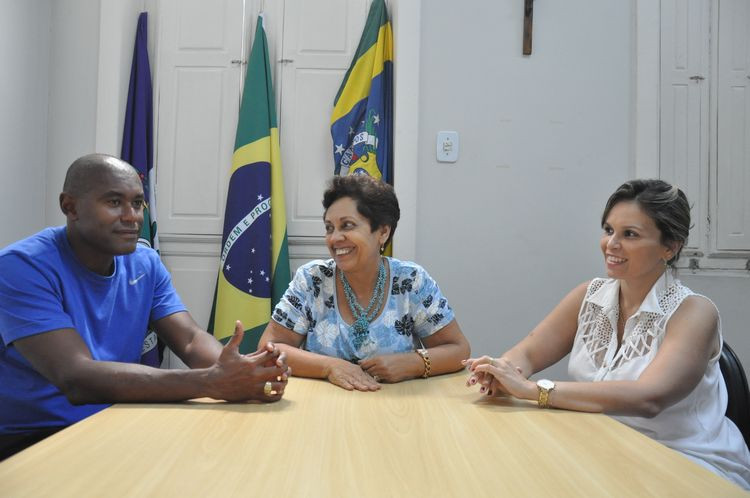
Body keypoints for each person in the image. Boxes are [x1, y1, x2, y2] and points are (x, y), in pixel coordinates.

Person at [0, 153, 289, 460]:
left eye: (137, 204)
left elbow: (190, 340)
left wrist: (242, 371)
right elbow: (76, 377)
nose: (132, 216)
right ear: (70, 206)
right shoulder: (21, 266)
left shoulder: (144, 261)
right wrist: (213, 382)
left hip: (113, 419)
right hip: (32, 438)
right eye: (114, 202)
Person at [464, 179, 750, 489]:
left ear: (670, 246)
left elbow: (647, 398)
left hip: (685, 460)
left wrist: (534, 390)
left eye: (630, 234)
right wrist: (502, 371)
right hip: (606, 444)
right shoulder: (589, 295)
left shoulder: (695, 312)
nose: (611, 244)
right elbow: (529, 353)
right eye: (609, 230)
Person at [259, 174, 470, 391]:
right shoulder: (312, 279)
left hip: (397, 410)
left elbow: (458, 349)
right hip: (323, 410)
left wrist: (413, 363)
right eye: (329, 228)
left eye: (347, 226)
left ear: (383, 232)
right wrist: (329, 367)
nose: (334, 238)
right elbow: (270, 348)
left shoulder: (411, 281)